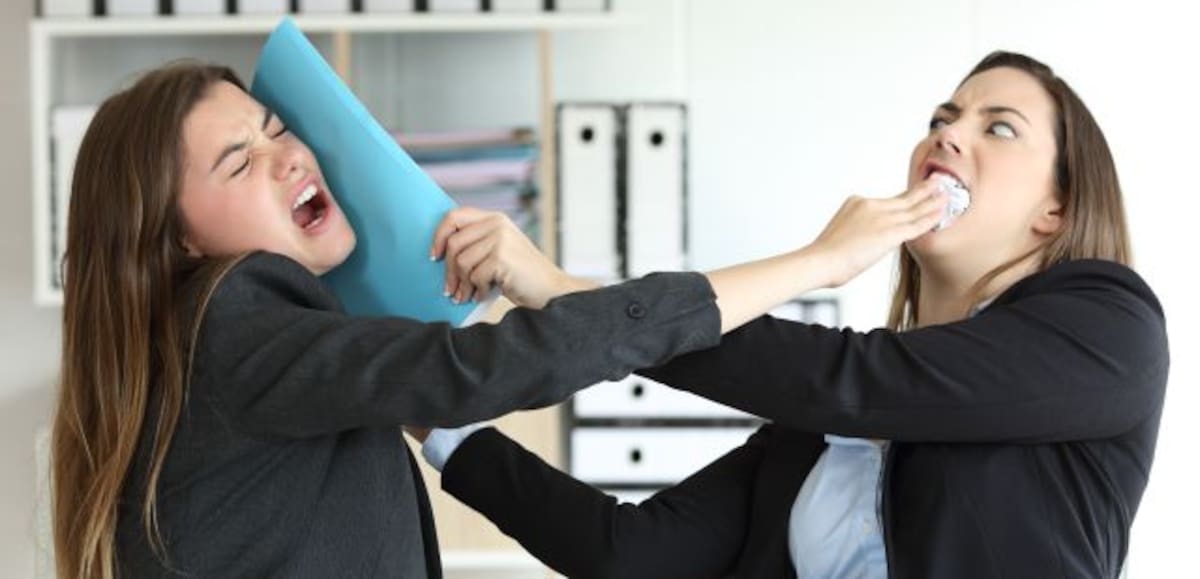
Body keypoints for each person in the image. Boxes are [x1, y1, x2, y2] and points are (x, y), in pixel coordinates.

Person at [52, 63, 950, 579]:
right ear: (174, 237)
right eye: (239, 160)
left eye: (276, 127)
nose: (287, 155)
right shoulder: (229, 316)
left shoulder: (225, 347)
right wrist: (815, 263)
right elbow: (495, 366)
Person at [413, 51, 1169, 578]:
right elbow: (630, 554)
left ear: (1056, 208)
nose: (947, 134)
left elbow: (859, 379)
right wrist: (433, 410)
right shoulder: (824, 432)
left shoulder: (1110, 327)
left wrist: (564, 293)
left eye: (998, 127)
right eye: (944, 117)